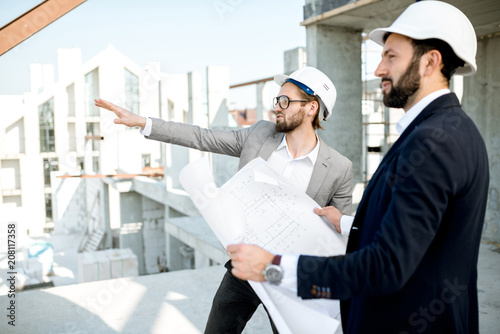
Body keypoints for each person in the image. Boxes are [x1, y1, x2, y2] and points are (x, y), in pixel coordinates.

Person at [227, 1, 490, 333]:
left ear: (430, 61)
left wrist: (273, 268)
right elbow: (422, 233)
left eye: (391, 56)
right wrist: (348, 223)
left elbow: (386, 266)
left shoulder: (433, 143)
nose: (379, 69)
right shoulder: (449, 129)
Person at [95, 66, 354, 334]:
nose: (277, 107)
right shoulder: (260, 135)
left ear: (311, 108)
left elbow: (337, 241)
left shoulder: (338, 167)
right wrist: (144, 122)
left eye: (285, 101)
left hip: (286, 274)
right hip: (244, 265)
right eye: (277, 100)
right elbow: (202, 137)